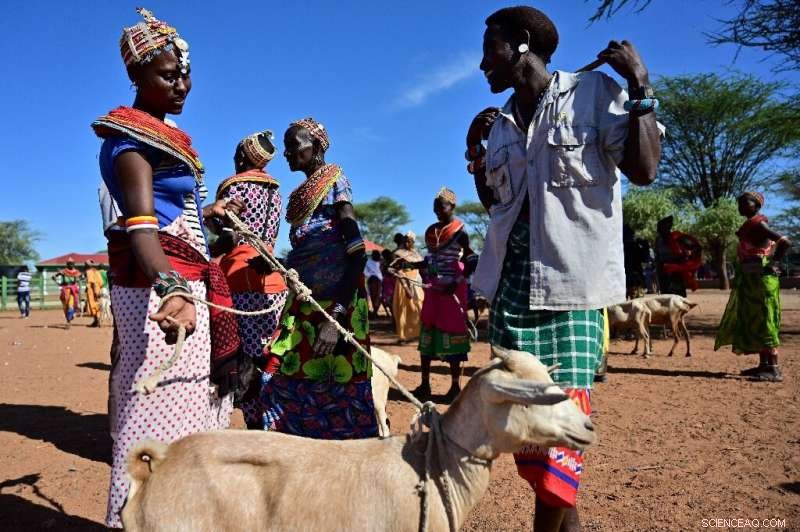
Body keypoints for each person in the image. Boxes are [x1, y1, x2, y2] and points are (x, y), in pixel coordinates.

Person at [467, 6, 661, 531]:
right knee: (529, 431)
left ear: (521, 44)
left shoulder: (594, 94)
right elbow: (500, 208)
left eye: (489, 50)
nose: (483, 64)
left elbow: (644, 170)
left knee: (560, 429)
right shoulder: (501, 125)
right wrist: (474, 153)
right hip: (512, 293)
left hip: (571, 290)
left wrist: (640, 84)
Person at [91, 8, 245, 527]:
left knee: (191, 408)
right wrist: (173, 288)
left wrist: (209, 214)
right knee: (152, 415)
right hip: (158, 291)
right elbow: (142, 228)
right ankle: (133, 519)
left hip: (182, 283)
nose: (182, 85)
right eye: (167, 75)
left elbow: (171, 211)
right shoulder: (130, 142)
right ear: (137, 76)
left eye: (184, 74)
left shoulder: (161, 133)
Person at [259, 117, 377, 439]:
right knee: (279, 384)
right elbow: (313, 252)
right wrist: (276, 264)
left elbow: (358, 255)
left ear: (317, 146)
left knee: (339, 398)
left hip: (337, 310)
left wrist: (334, 321)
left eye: (293, 145)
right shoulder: (302, 197)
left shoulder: (336, 183)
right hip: (303, 308)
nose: (286, 153)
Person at [214, 130, 288, 429]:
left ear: (243, 157)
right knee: (271, 353)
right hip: (273, 276)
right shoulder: (275, 190)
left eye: (236, 155)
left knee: (244, 357)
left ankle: (255, 424)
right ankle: (276, 420)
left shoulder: (234, 186)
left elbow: (229, 236)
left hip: (240, 276)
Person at [403, 188, 477, 402]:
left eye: (441, 207)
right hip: (434, 290)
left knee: (452, 332)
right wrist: (408, 265)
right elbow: (429, 261)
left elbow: (471, 259)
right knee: (427, 332)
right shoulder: (431, 231)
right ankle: (425, 384)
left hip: (452, 291)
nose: (437, 211)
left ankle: (454, 387)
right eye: (435, 208)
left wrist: (457, 282)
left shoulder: (460, 231)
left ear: (452, 207)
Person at [715, 191, 791, 382]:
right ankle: (763, 365)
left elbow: (784, 241)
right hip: (751, 280)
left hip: (761, 280)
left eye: (744, 203)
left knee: (765, 319)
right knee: (755, 319)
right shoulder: (751, 225)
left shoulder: (759, 224)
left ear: (756, 205)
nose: (740, 206)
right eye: (739, 203)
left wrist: (774, 262)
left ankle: (773, 369)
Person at [654, 215, 702, 296]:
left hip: (676, 270)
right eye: (660, 228)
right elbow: (657, 255)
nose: (662, 230)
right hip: (662, 271)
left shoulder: (677, 237)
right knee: (665, 295)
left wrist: (688, 254)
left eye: (665, 228)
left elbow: (696, 247)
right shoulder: (658, 240)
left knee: (677, 294)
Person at [391, 231, 425, 344]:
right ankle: (403, 337)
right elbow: (398, 271)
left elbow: (420, 267)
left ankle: (416, 334)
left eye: (409, 241)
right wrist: (406, 288)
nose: (406, 243)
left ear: (413, 242)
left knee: (418, 307)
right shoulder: (398, 253)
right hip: (403, 283)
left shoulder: (415, 253)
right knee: (403, 309)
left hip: (416, 283)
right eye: (405, 241)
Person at [52, 258, 81, 326]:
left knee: (71, 305)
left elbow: (82, 276)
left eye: (72, 264)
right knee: (65, 306)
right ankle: (68, 319)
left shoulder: (76, 272)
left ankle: (69, 321)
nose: (71, 265)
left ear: (74, 264)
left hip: (72, 290)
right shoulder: (63, 271)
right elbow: (54, 276)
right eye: (69, 264)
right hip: (65, 290)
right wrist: (56, 280)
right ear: (67, 264)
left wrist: (80, 278)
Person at [85, 260, 105, 327]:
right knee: (97, 304)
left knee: (93, 305)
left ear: (87, 265)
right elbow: (101, 283)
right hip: (98, 289)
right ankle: (97, 321)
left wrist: (94, 291)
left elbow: (92, 282)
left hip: (92, 290)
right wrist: (98, 290)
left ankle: (97, 321)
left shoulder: (88, 272)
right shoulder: (97, 271)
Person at [365, 250, 384, 319]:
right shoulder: (369, 262)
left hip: (378, 280)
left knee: (378, 296)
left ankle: (375, 312)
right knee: (375, 296)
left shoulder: (381, 262)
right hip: (374, 280)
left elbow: (365, 271)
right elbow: (365, 271)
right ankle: (375, 312)